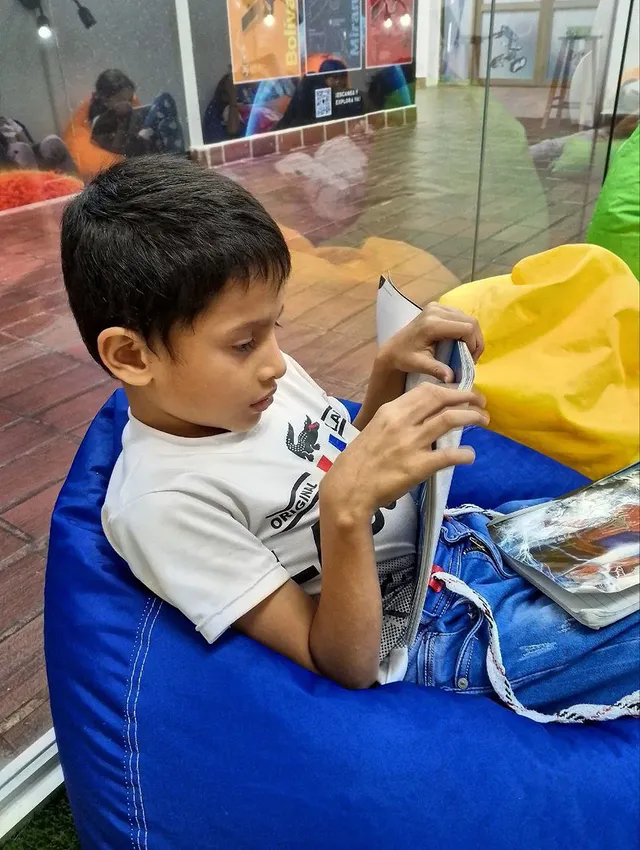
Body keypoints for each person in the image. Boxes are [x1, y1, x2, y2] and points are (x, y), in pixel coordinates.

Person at [60, 156, 639, 722]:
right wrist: (344, 511)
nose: (276, 363)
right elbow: (339, 664)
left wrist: (391, 369)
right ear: (131, 355)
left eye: (274, 327)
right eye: (243, 343)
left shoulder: (254, 385)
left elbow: (345, 449)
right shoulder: (162, 505)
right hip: (433, 632)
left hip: (458, 543)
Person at [87, 69, 185, 157]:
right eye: (121, 99)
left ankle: (172, 155)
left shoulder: (130, 111)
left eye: (129, 100)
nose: (128, 104)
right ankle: (176, 157)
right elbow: (115, 151)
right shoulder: (100, 122)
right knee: (164, 99)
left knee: (165, 109)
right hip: (134, 152)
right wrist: (122, 124)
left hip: (147, 145)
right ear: (105, 99)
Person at [0, 114, 75, 173]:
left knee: (53, 141)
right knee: (20, 149)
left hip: (29, 153)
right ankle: (36, 185)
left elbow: (28, 143)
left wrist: (13, 127)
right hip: (9, 162)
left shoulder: (10, 122)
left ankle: (74, 183)